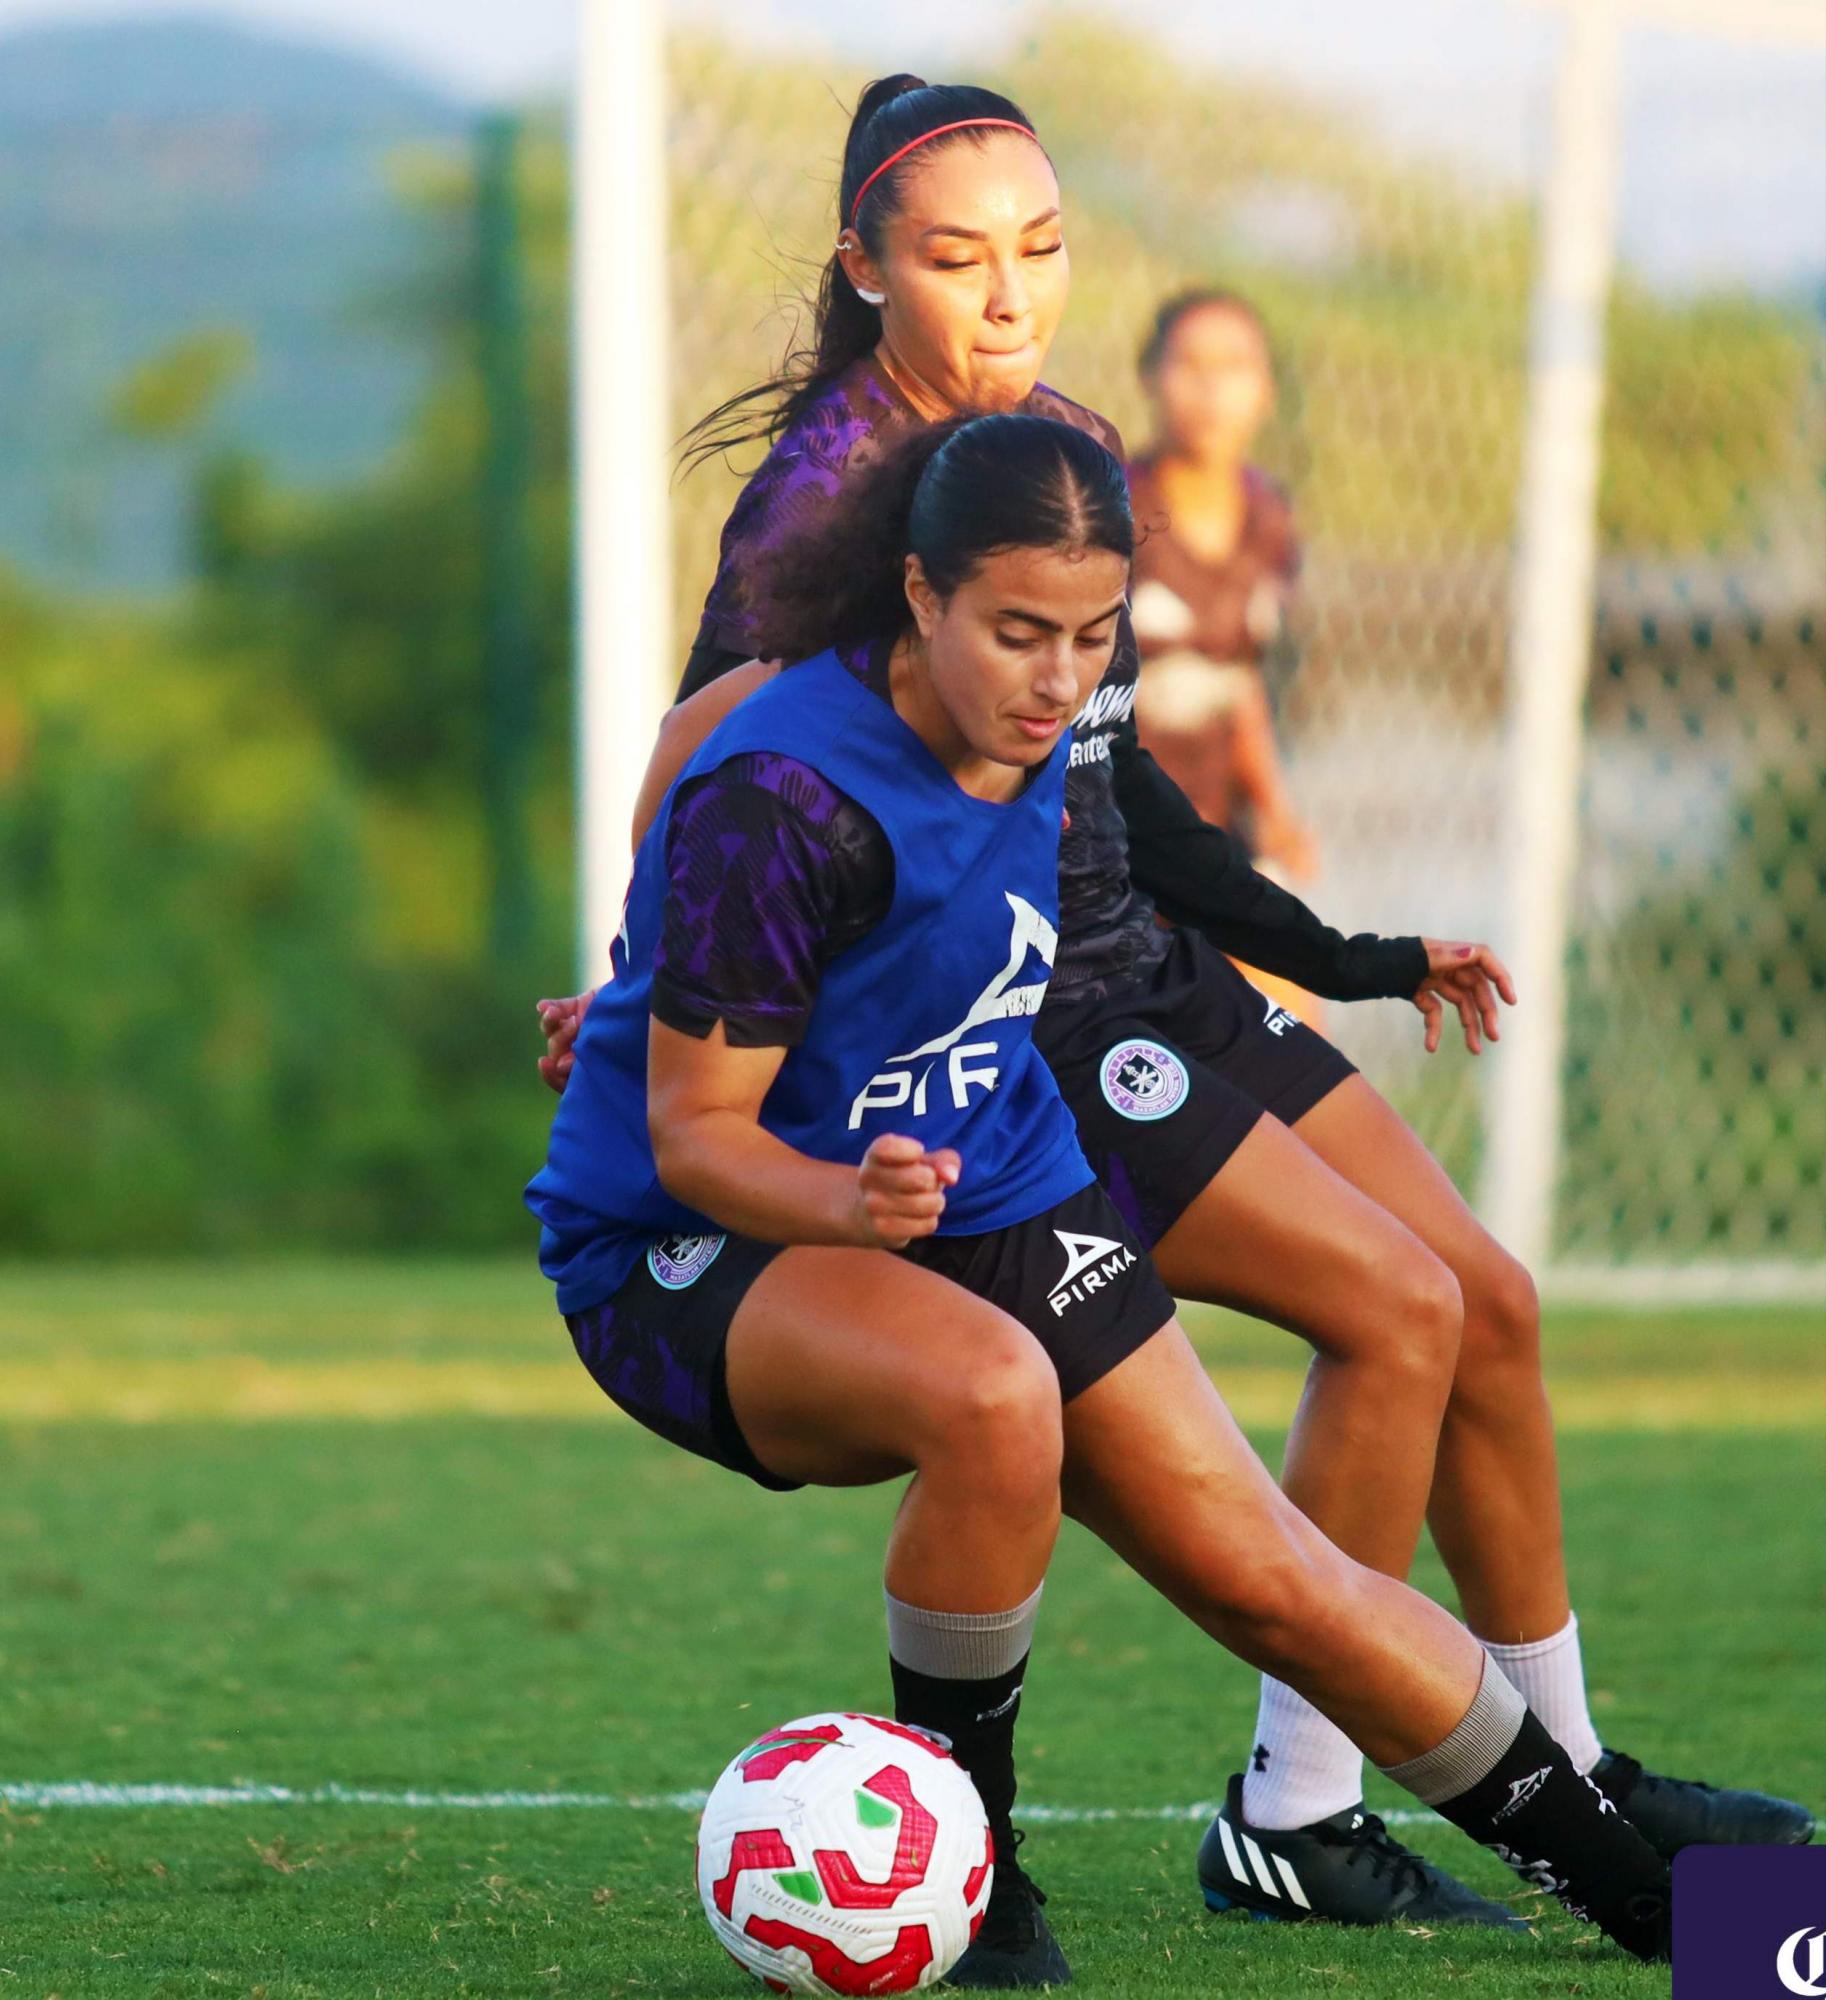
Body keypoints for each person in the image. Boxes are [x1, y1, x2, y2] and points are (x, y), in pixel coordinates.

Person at [538, 73, 1813, 1953]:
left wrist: (1346, 951)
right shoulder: (812, 662)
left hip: (1023, 1096)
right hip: (863, 1138)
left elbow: (1117, 783)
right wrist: (656, 980)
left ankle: (1700, 1916)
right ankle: (998, 1858)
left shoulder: (1048, 510)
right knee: (1081, 1383)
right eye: (956, 256)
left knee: (1320, 1509)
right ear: (911, 600)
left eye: (1041, 246)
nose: (1062, 681)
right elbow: (704, 787)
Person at [1128, 287, 1321, 1026]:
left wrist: (1273, 808)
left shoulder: (1270, 518)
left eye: (1234, 367)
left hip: (1217, 831)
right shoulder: (1112, 507)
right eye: (1190, 364)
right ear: (1150, 374)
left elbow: (1238, 681)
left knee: (1302, 1032)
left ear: (1265, 388)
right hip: (1116, 834)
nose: (1212, 390)